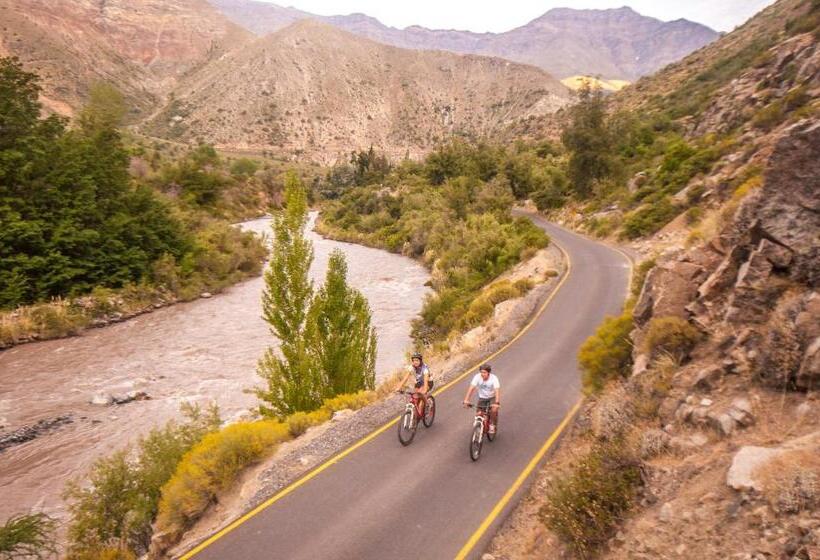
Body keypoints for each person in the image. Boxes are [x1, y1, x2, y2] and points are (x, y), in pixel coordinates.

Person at [462, 363, 500, 434]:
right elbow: (471, 388)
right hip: (482, 397)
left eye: (484, 372)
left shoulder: (494, 378)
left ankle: (492, 425)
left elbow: (497, 390)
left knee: (493, 411)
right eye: (481, 372)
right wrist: (466, 400)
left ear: (488, 373)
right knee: (479, 414)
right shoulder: (477, 377)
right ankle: (479, 427)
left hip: (492, 397)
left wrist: (497, 403)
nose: (482, 374)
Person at [395, 352, 432, 416]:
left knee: (421, 397)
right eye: (414, 360)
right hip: (419, 382)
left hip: (428, 382)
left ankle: (427, 405)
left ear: (420, 361)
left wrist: (425, 390)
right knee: (415, 397)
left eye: (417, 360)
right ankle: (415, 416)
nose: (415, 362)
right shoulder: (411, 367)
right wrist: (399, 387)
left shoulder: (425, 369)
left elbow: (425, 380)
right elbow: (405, 378)